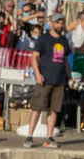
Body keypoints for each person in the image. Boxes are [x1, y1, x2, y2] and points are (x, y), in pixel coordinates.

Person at [24, 12, 73, 148]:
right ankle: (29, 136)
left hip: (59, 80)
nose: (60, 25)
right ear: (51, 23)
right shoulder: (43, 38)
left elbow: (65, 60)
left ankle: (49, 137)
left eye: (62, 23)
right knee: (37, 108)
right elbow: (34, 57)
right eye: (57, 22)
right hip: (44, 79)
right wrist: (38, 74)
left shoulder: (64, 40)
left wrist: (69, 77)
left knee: (54, 110)